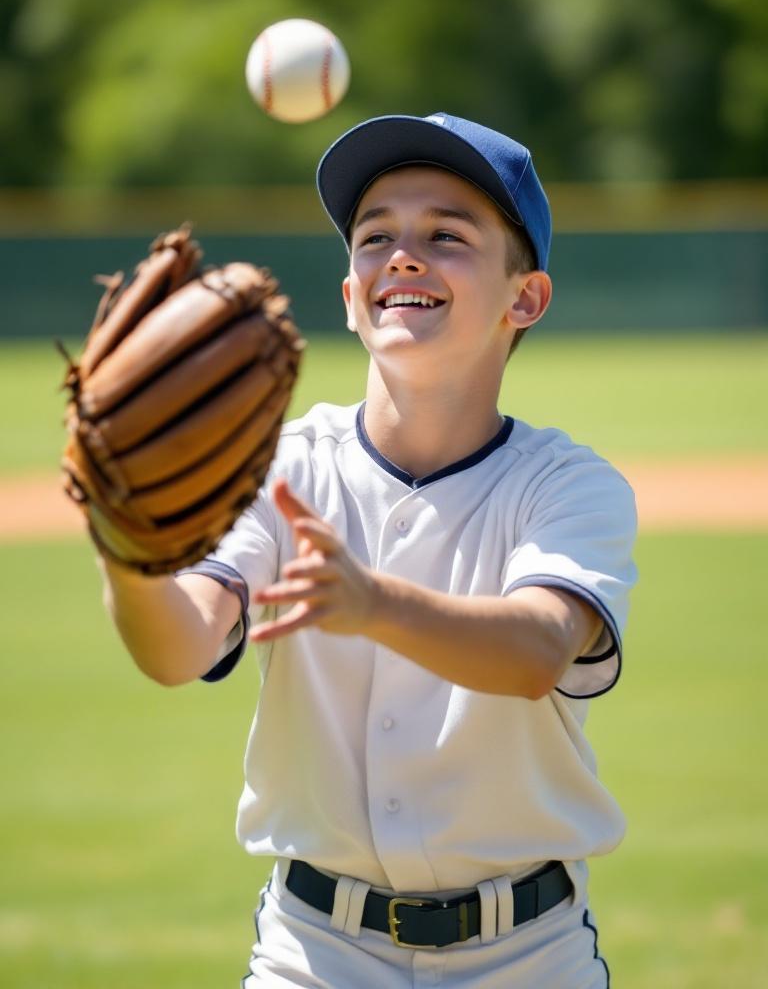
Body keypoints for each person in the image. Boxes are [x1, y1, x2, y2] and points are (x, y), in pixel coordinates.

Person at [100, 112, 637, 987]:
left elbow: (539, 649)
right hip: (315, 953)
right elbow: (181, 642)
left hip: (528, 956)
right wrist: (123, 549)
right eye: (375, 235)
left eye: (448, 235)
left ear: (524, 298)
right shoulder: (281, 466)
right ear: (351, 299)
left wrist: (374, 604)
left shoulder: (569, 487)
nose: (403, 254)